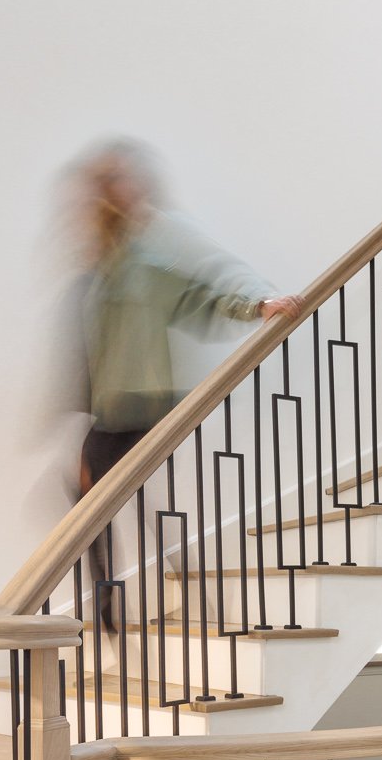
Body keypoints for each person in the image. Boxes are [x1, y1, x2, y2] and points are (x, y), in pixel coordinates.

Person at [60, 139, 302, 622]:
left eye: (117, 178)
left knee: (91, 499)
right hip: (113, 405)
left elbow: (213, 277)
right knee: (117, 502)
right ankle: (178, 595)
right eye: (103, 181)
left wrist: (260, 301)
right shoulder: (108, 255)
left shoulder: (158, 240)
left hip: (141, 401)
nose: (110, 189)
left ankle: (113, 601)